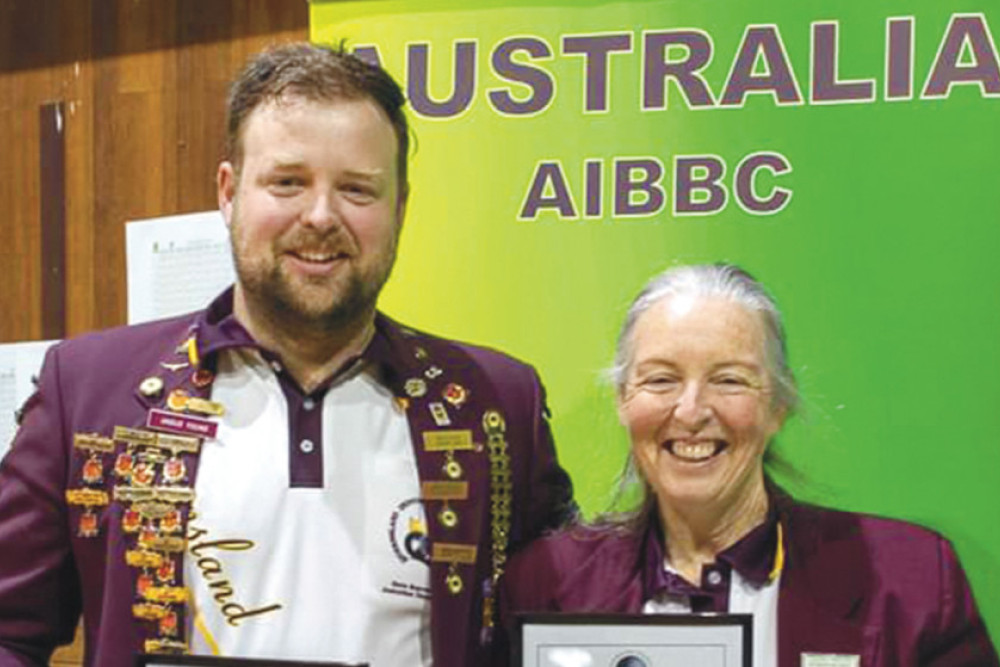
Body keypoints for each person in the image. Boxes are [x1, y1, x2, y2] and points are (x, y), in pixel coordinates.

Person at [0, 43, 574, 667]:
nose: (321, 216)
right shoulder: (89, 390)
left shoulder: (495, 403)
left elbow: (555, 627)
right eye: (288, 183)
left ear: (400, 208)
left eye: (358, 189)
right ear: (228, 192)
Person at [501, 264, 998, 666]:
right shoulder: (542, 584)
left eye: (730, 381)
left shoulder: (909, 582)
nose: (692, 411)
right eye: (660, 380)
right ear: (623, 401)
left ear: (777, 406)